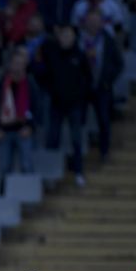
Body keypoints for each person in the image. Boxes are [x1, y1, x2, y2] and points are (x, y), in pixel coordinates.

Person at [39, 25, 92, 187]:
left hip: (75, 105)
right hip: (56, 104)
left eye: (69, 35)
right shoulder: (51, 53)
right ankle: (49, 175)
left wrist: (80, 96)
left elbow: (87, 79)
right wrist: (52, 90)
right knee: (52, 138)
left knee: (76, 140)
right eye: (63, 35)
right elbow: (44, 74)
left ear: (75, 38)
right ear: (59, 37)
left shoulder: (80, 56)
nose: (66, 38)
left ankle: (78, 172)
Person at [79, 10, 123, 167]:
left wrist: (108, 80)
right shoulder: (79, 39)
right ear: (85, 22)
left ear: (101, 22)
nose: (92, 23)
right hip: (82, 89)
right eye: (90, 20)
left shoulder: (108, 40)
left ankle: (104, 152)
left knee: (104, 121)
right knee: (79, 122)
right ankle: (78, 154)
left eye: (96, 20)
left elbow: (119, 63)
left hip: (102, 88)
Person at [0, 49, 41, 177]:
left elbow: (37, 108)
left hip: (23, 130)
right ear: (10, 65)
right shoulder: (3, 83)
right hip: (5, 130)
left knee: (27, 165)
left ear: (24, 65)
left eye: (20, 63)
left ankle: (28, 194)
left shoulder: (30, 83)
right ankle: (4, 195)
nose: (17, 66)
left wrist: (30, 127)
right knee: (4, 166)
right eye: (15, 63)